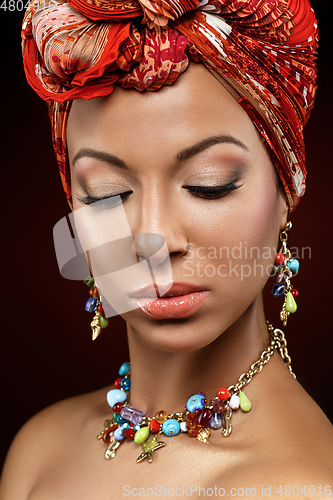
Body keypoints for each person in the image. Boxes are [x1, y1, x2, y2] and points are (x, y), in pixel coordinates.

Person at [0, 0, 332, 498]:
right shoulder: (37, 453)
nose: (154, 239)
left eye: (209, 185)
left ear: (286, 192)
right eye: (106, 194)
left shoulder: (305, 485)